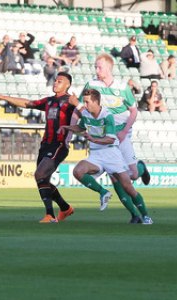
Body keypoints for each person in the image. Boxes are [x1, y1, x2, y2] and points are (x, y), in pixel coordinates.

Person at [0, 72, 78, 223]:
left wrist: (77, 109)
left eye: (60, 81)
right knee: (43, 180)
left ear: (68, 85)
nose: (55, 83)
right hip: (45, 145)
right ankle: (65, 208)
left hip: (59, 145)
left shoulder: (70, 101)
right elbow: (27, 103)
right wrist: (3, 97)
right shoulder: (49, 101)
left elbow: (83, 118)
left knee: (40, 175)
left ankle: (50, 215)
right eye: (55, 80)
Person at [70, 53, 151, 219]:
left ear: (109, 67)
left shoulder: (122, 88)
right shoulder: (91, 85)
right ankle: (135, 215)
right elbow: (79, 110)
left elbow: (134, 111)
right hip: (103, 140)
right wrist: (70, 132)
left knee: (133, 175)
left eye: (99, 66)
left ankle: (141, 168)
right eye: (95, 66)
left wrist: (123, 131)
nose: (96, 69)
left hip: (121, 135)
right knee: (116, 178)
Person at [59, 89, 153, 224]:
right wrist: (66, 127)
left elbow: (109, 139)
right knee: (77, 171)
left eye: (87, 102)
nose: (85, 105)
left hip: (111, 154)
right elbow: (80, 127)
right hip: (96, 155)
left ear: (96, 102)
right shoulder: (86, 114)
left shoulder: (107, 116)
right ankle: (103, 192)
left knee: (128, 188)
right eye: (84, 102)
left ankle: (145, 216)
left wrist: (93, 139)